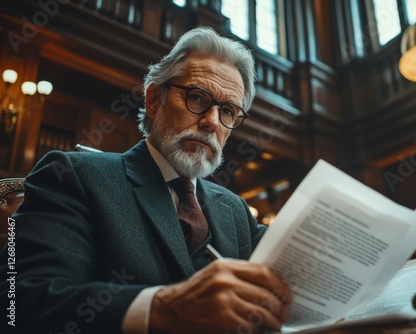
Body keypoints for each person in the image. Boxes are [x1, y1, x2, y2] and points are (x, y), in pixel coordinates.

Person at [0, 26, 292, 334]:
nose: (211, 122)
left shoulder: (236, 211)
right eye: (196, 97)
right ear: (154, 100)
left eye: (228, 111)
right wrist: (161, 310)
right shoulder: (73, 176)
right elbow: (19, 302)